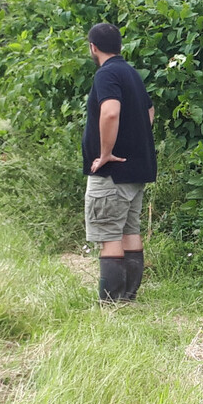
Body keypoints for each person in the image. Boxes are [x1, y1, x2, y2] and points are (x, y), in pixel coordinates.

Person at [83, 22, 156, 302]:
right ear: (120, 45)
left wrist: (105, 153)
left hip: (112, 173)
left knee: (110, 236)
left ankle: (111, 302)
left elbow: (110, 113)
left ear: (93, 47)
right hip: (136, 169)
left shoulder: (106, 74)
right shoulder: (130, 73)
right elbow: (149, 112)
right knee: (130, 232)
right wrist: (134, 141)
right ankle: (128, 297)